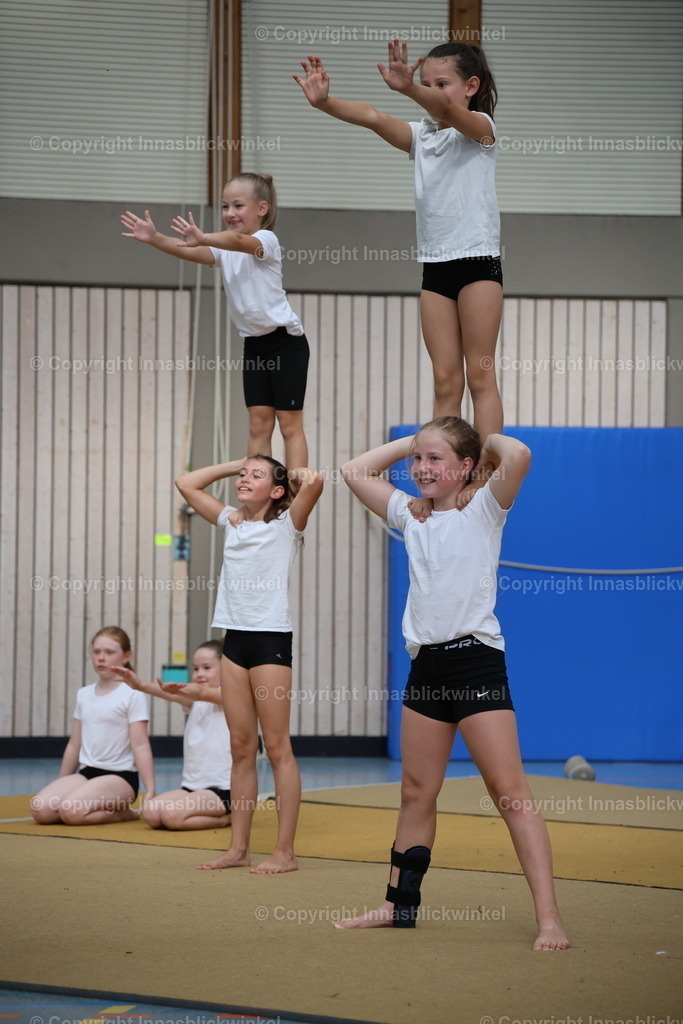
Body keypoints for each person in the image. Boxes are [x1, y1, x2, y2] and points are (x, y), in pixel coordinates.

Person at [336, 418, 570, 951]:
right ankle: (398, 907)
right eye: (418, 459)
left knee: (509, 793)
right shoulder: (409, 515)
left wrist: (478, 446)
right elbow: (354, 471)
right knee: (416, 792)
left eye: (435, 459)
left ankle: (550, 918)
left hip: (474, 662)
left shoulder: (484, 507)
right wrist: (418, 439)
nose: (420, 468)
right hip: (426, 668)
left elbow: (520, 453)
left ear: (465, 467)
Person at [295, 41, 504, 442]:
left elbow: (445, 109)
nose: (431, 91)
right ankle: (445, 470)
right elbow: (373, 117)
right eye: (426, 83)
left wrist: (408, 87)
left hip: (478, 263)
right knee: (445, 381)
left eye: (441, 83)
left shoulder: (482, 131)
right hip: (436, 267)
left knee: (479, 373)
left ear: (471, 86)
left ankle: (486, 475)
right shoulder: (420, 137)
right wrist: (325, 103)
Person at [175, 454, 324, 872]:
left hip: (270, 641)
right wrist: (237, 463)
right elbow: (186, 483)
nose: (244, 479)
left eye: (255, 476)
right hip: (234, 641)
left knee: (277, 747)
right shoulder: (229, 522)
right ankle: (238, 848)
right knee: (241, 747)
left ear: (276, 491)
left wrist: (281, 474)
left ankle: (285, 852)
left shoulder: (286, 526)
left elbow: (314, 482)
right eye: (243, 475)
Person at [120, 172, 309, 468]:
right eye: (224, 207)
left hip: (286, 343)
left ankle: (297, 498)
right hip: (255, 346)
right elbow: (191, 251)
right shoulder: (225, 250)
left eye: (237, 206)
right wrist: (155, 238)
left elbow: (236, 240)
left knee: (289, 424)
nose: (229, 213)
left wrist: (204, 236)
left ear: (262, 209)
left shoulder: (265, 240)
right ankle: (261, 495)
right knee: (258, 424)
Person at [31, 627, 155, 825]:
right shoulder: (84, 694)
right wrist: (61, 782)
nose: (101, 658)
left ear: (125, 657)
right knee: (41, 810)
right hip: (88, 772)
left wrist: (150, 790)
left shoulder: (132, 694)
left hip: (121, 778)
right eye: (97, 652)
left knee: (71, 812)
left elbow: (140, 745)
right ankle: (86, 801)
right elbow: (74, 744)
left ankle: (124, 813)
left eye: (109, 652)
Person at [116, 640, 232, 831]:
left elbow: (200, 691)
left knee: (172, 816)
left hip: (223, 790)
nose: (199, 673)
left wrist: (181, 688)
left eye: (206, 668)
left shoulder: (229, 696)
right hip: (192, 787)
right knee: (151, 812)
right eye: (195, 668)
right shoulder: (195, 701)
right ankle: (204, 811)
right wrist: (139, 685)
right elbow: (171, 695)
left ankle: (226, 819)